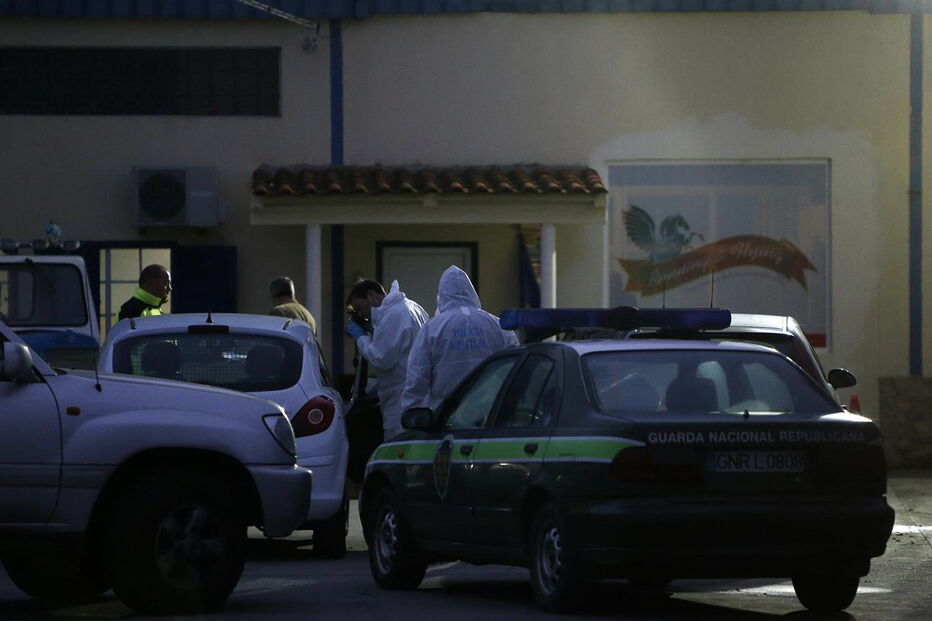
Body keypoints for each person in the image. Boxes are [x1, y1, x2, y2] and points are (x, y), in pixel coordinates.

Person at [401, 265, 519, 412]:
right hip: (491, 413)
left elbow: (417, 377)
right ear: (472, 292)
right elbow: (514, 368)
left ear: (442, 294)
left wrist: (411, 414)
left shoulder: (432, 328)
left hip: (447, 417)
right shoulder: (497, 324)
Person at [346, 279, 429, 436]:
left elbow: (381, 358)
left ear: (371, 295)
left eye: (360, 307)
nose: (361, 314)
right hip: (419, 395)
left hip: (401, 400)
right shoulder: (412, 307)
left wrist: (361, 338)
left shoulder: (393, 316)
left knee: (398, 450)